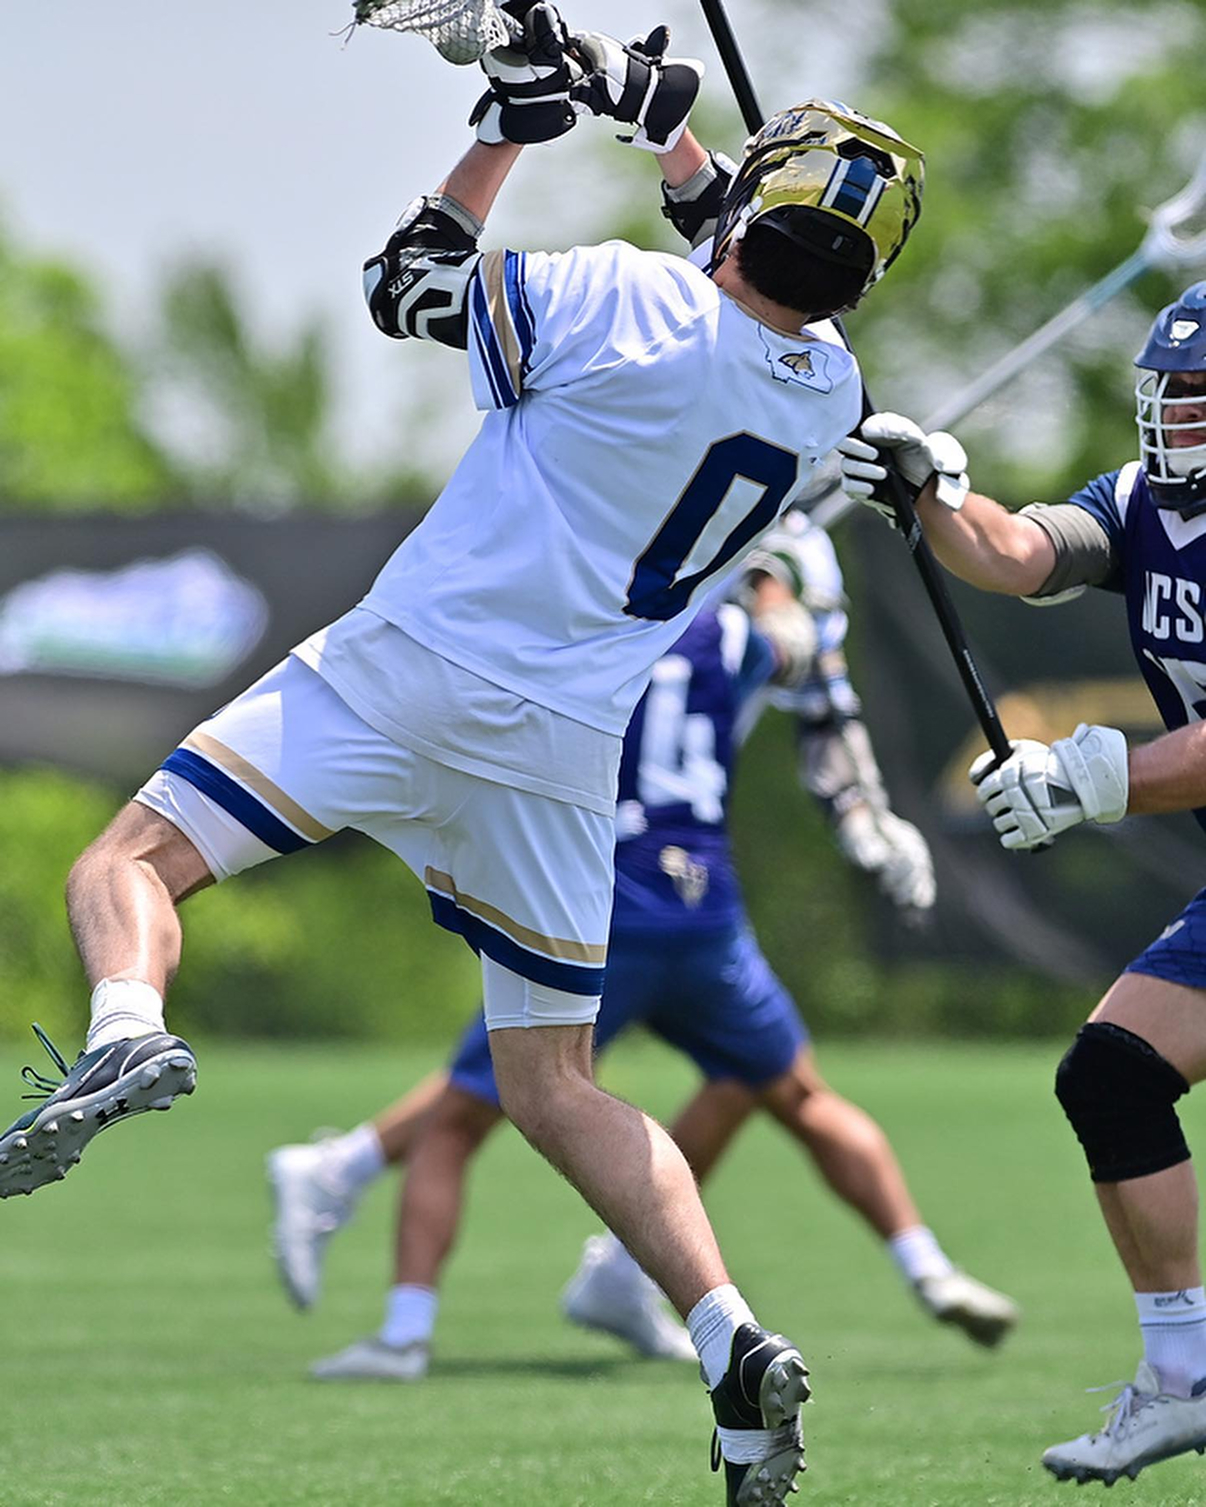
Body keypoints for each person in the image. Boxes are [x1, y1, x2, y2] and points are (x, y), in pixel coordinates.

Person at [1, 11, 924, 1499]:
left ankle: (126, 1027)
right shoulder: (828, 396)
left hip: (407, 670)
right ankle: (727, 1336)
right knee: (554, 1083)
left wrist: (509, 125)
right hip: (562, 749)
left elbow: (406, 284)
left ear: (754, 212)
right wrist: (654, 118)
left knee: (131, 863)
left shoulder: (611, 293)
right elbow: (742, 272)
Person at [266, 563, 1014, 1383]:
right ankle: (919, 1265)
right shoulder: (735, 636)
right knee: (781, 1088)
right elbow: (805, 648)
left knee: (475, 1108)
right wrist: (785, 578)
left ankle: (403, 1319)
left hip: (604, 900)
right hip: (706, 910)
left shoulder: (590, 626)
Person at [838, 279, 1206, 1486]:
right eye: (1169, 392)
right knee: (1112, 1075)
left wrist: (1095, 776)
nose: (1175, 416)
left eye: (1200, 396)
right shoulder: (1145, 503)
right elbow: (1017, 554)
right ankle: (1184, 1377)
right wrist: (933, 493)